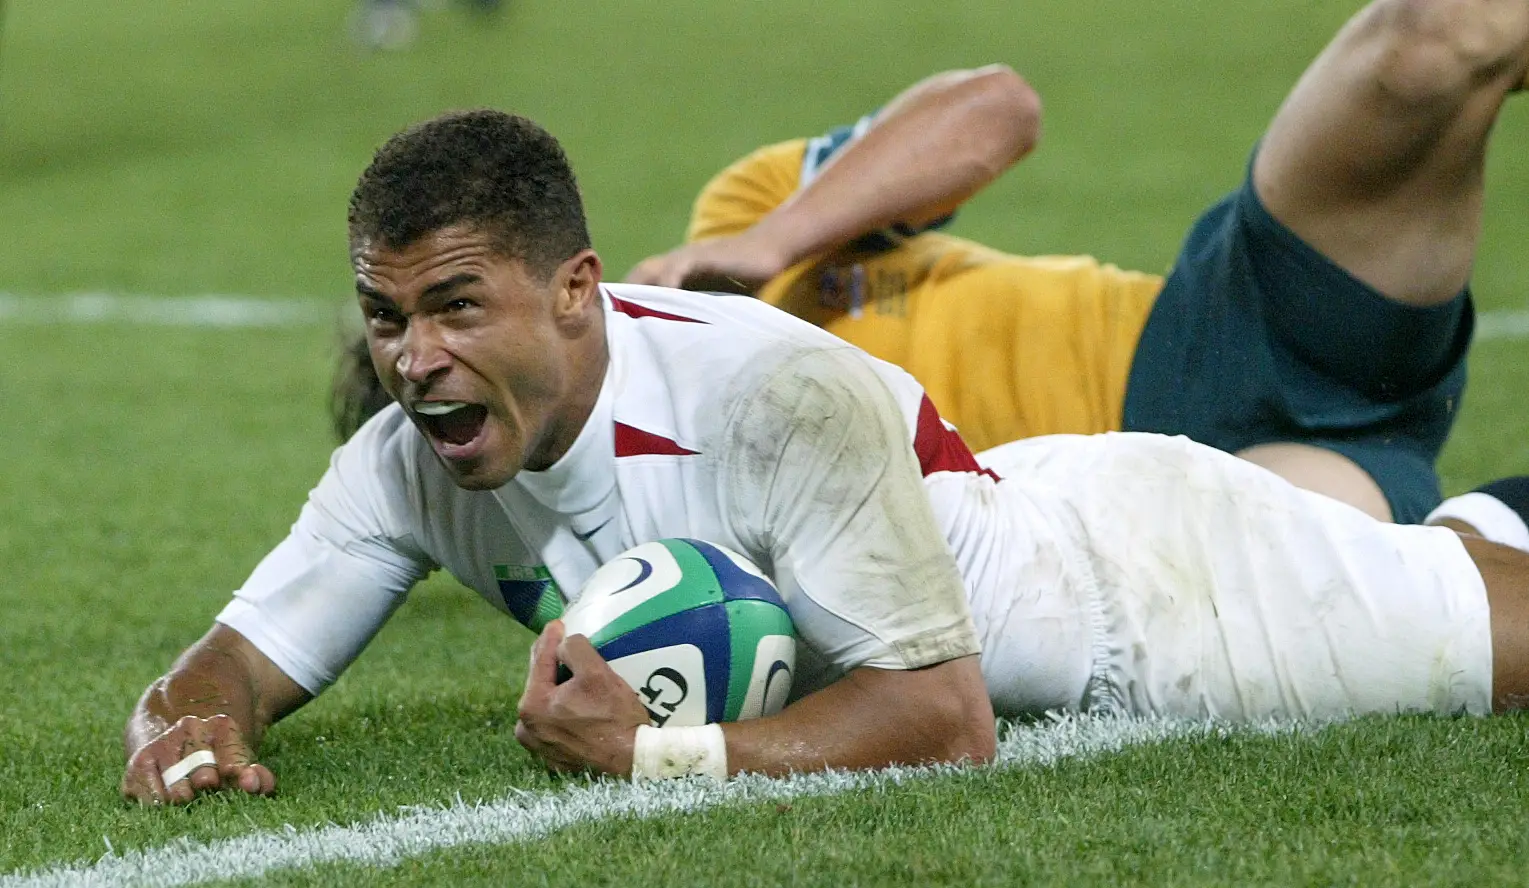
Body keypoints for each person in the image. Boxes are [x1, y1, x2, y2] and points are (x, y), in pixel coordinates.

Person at [122, 0, 1529, 805]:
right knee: (1452, 562)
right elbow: (238, 653)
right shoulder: (403, 460)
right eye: (385, 318)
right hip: (1073, 507)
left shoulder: (766, 381)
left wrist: (655, 754)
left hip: (1152, 594)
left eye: (451, 308)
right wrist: (183, 726)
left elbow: (942, 721)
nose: (410, 357)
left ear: (575, 291)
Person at [625, 3, 1529, 526]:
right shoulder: (686, 501)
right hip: (1154, 514)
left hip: (1215, 325)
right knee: (1376, 598)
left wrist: (773, 243)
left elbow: (996, 110)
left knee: (1434, 36)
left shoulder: (745, 220)